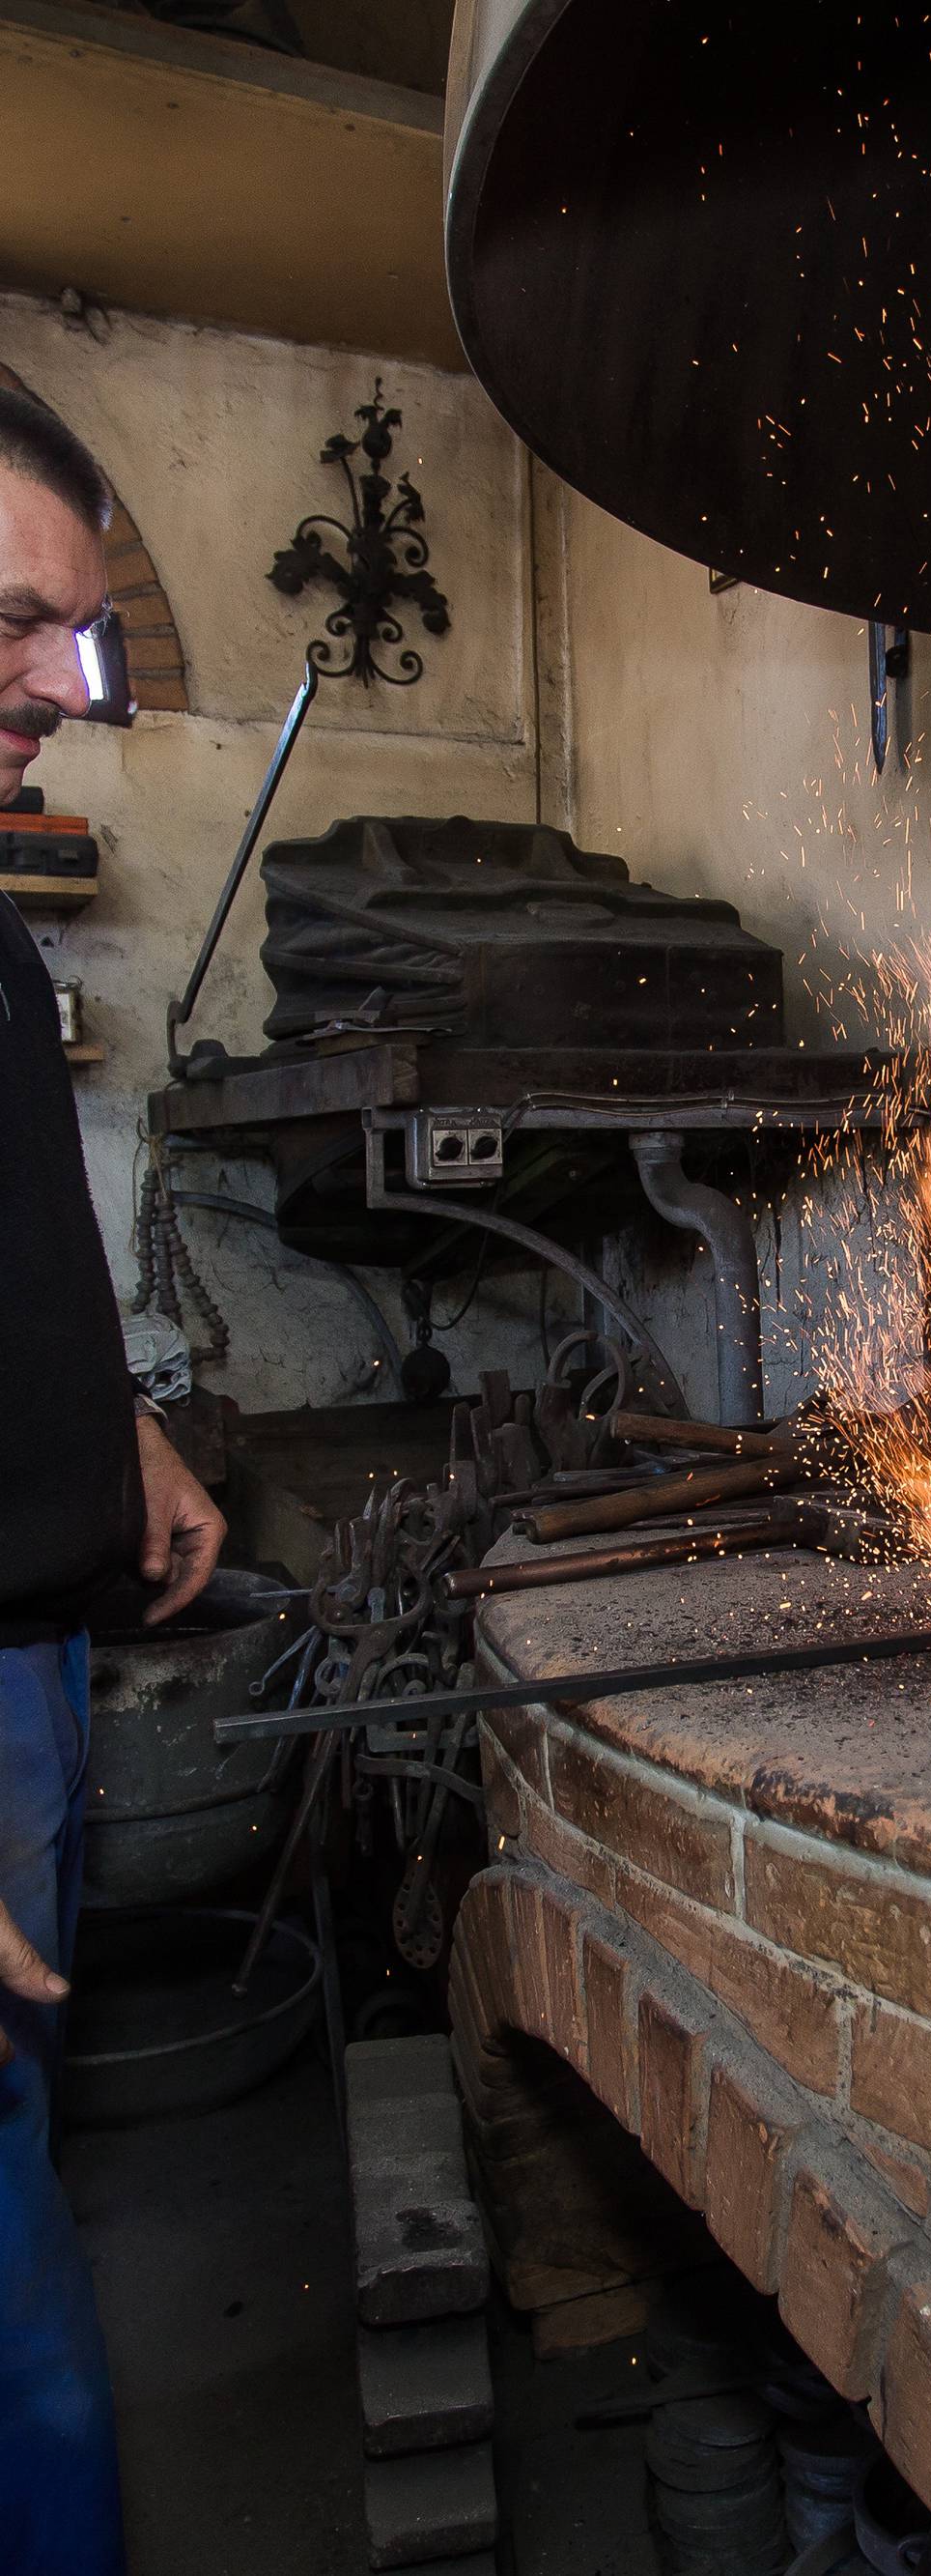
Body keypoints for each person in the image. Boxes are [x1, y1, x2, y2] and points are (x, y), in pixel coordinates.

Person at [0, 386, 227, 2575]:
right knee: (19, 2349)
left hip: (30, 1658)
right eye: (12, 623)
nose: (68, 685)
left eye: (70, 634)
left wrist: (114, 1425)